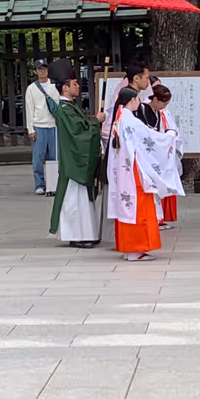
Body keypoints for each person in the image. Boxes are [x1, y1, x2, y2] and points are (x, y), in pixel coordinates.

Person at [106, 86, 183, 261]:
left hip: (124, 172)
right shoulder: (130, 121)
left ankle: (128, 247)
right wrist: (169, 135)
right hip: (134, 172)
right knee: (140, 209)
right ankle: (136, 248)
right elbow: (150, 139)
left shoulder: (119, 118)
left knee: (128, 209)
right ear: (132, 100)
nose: (140, 102)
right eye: (137, 99)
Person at [48, 59, 105, 249]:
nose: (78, 86)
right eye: (74, 84)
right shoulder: (64, 110)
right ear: (65, 88)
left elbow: (82, 127)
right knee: (74, 199)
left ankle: (85, 233)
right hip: (73, 162)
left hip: (75, 160)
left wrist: (93, 121)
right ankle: (76, 234)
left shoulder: (70, 107)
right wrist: (96, 122)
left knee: (80, 199)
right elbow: (79, 134)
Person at [143, 83, 184, 229]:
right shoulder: (143, 110)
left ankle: (158, 217)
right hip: (149, 154)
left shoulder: (158, 112)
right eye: (163, 103)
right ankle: (154, 217)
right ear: (154, 99)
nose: (164, 107)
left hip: (158, 153)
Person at [25, 59, 60, 195]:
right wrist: (30, 128)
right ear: (35, 71)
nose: (42, 71)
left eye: (44, 68)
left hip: (53, 125)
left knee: (54, 157)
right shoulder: (31, 89)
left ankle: (53, 183)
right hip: (39, 125)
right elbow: (29, 109)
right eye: (39, 69)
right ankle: (39, 184)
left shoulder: (55, 86)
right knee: (38, 157)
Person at [102, 62, 151, 143]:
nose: (148, 82)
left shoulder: (131, 94)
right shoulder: (128, 96)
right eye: (146, 78)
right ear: (136, 78)